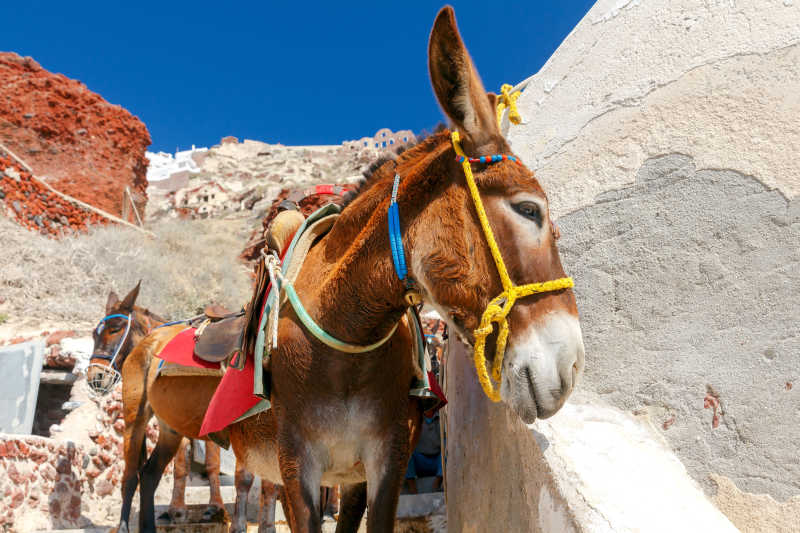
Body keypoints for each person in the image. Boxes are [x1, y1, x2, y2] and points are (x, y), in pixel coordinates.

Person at [404, 410, 443, 494]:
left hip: (436, 462)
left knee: (446, 450)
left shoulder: (442, 418)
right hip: (420, 461)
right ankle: (412, 487)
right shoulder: (416, 418)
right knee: (406, 451)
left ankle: (437, 483)